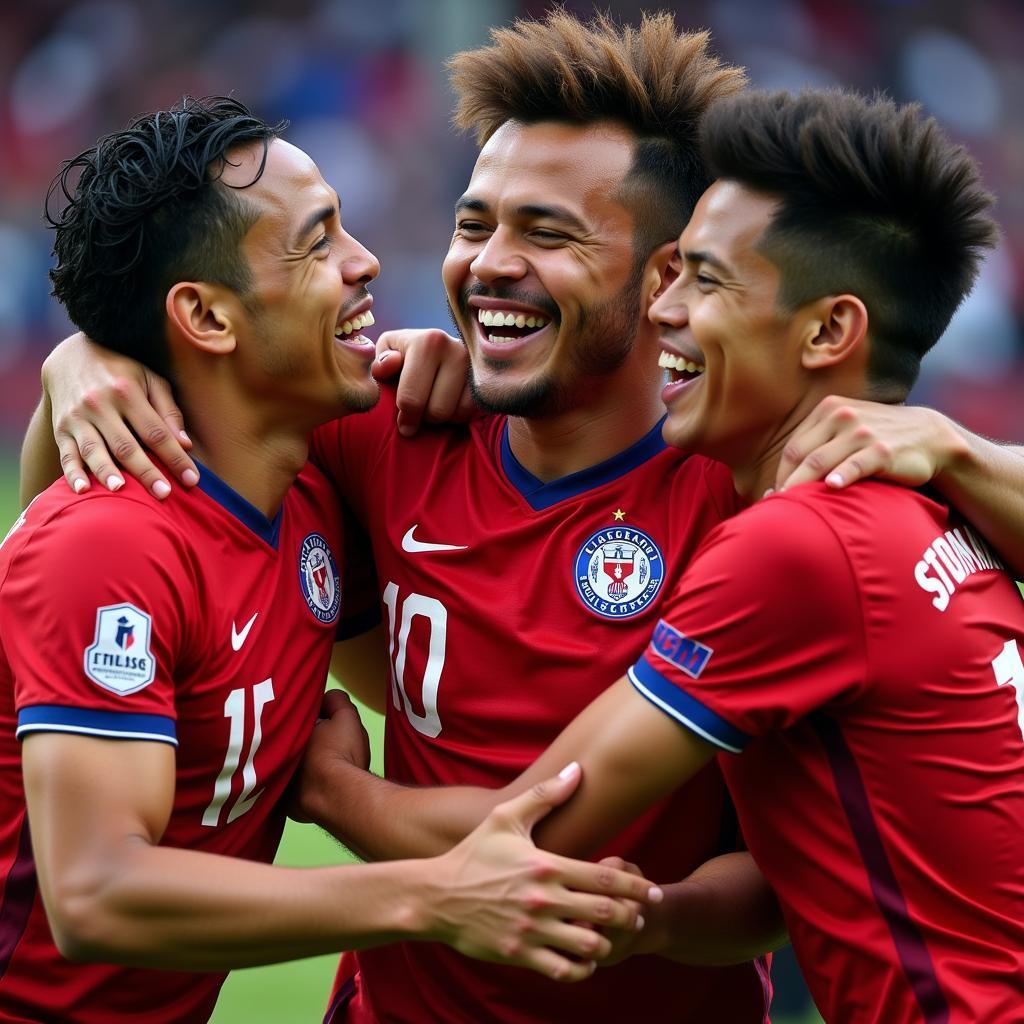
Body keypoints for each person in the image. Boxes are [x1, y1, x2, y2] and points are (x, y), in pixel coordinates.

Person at [22, 13, 1024, 1024]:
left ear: (668, 275)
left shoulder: (755, 492)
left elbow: (729, 877)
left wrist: (957, 447)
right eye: (473, 224)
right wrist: (87, 364)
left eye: (545, 232)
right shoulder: (378, 432)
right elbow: (94, 511)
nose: (487, 263)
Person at [0, 95, 662, 1024]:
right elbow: (96, 894)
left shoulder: (307, 496)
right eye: (317, 244)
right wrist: (430, 894)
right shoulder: (111, 536)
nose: (367, 262)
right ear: (207, 316)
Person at [369, 88, 1024, 1023]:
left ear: (830, 331)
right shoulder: (918, 504)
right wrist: (664, 919)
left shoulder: (796, 543)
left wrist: (325, 784)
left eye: (706, 281)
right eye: (670, 273)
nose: (662, 308)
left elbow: (540, 830)